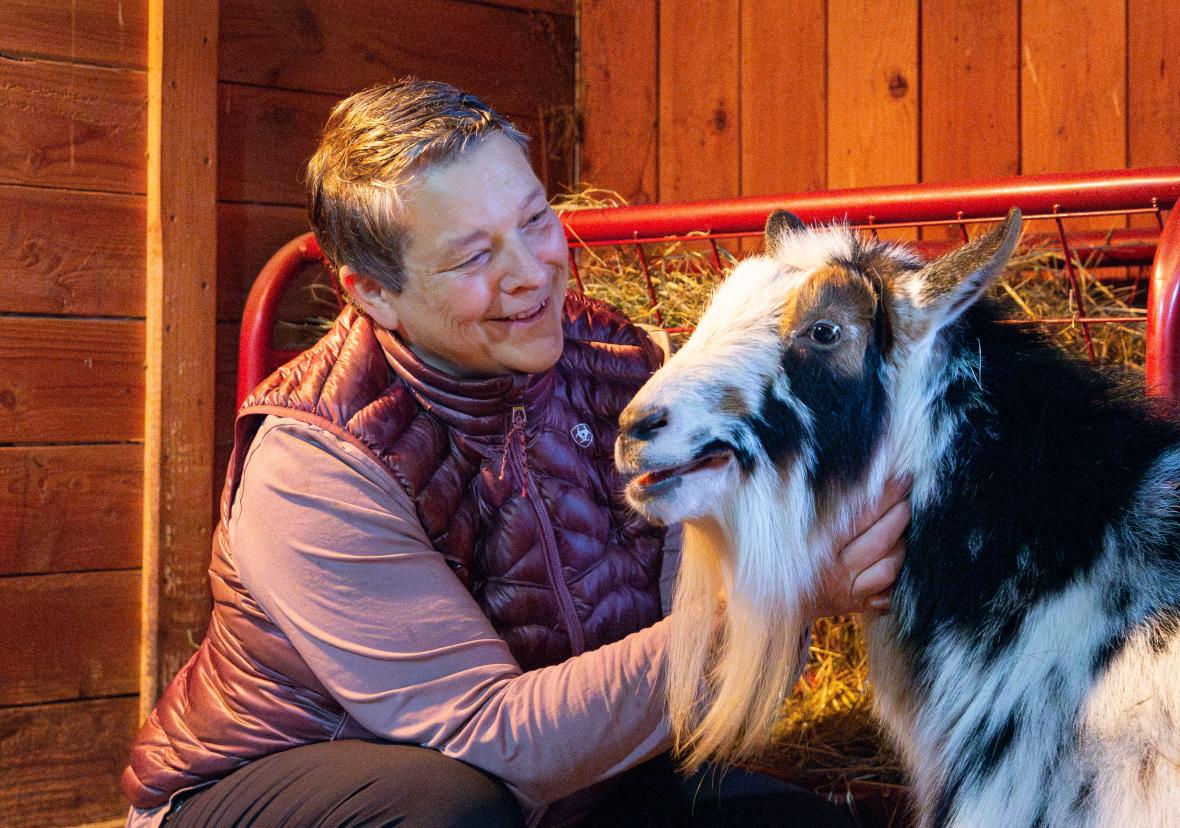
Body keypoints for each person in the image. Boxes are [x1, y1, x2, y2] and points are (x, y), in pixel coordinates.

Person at [122, 78, 909, 827]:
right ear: (371, 292)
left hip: (556, 793)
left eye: (535, 220)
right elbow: (501, 745)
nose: (533, 275)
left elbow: (687, 635)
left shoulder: (628, 367)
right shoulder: (316, 462)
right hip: (296, 789)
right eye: (472, 258)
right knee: (444, 813)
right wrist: (782, 593)